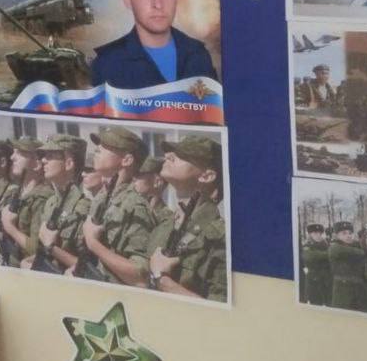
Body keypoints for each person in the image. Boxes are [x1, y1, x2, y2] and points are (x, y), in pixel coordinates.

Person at [141, 136, 227, 301]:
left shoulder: (220, 237)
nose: (168, 156)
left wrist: (162, 280)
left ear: (207, 176)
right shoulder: (163, 227)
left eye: (183, 155)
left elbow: (219, 310)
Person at [74, 127, 155, 284]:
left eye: (107, 146)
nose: (97, 148)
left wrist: (93, 243)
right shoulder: (102, 198)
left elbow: (139, 274)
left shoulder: (135, 206)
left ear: (127, 160)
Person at [27, 135, 90, 274]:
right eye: (44, 156)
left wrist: (52, 248)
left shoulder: (83, 207)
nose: (44, 160)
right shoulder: (51, 202)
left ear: (68, 164)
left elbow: (88, 268)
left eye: (50, 156)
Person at [0, 137, 51, 267]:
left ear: (37, 164)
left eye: (20, 153)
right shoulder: (16, 192)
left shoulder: (42, 198)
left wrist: (10, 227)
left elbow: (38, 250)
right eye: (13, 152)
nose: (12, 157)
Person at [327, 221, 367, 311]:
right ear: (337, 235)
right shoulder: (335, 247)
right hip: (343, 291)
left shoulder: (354, 246)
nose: (348, 236)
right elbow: (359, 253)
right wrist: (360, 250)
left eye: (350, 233)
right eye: (344, 233)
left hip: (358, 290)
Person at [299, 222, 332, 307]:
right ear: (310, 234)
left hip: (327, 280)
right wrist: (326, 255)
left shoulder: (326, 244)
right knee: (316, 304)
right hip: (314, 281)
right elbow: (309, 256)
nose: (318, 235)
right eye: (315, 233)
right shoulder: (307, 245)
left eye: (319, 233)